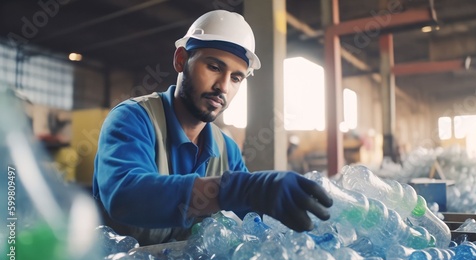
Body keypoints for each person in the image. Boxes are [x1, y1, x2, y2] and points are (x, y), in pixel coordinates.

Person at [93, 10, 333, 245]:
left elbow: (253, 215)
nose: (223, 86)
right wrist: (236, 189)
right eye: (215, 67)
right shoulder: (133, 119)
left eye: (236, 78)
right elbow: (125, 196)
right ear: (181, 60)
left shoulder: (227, 149)